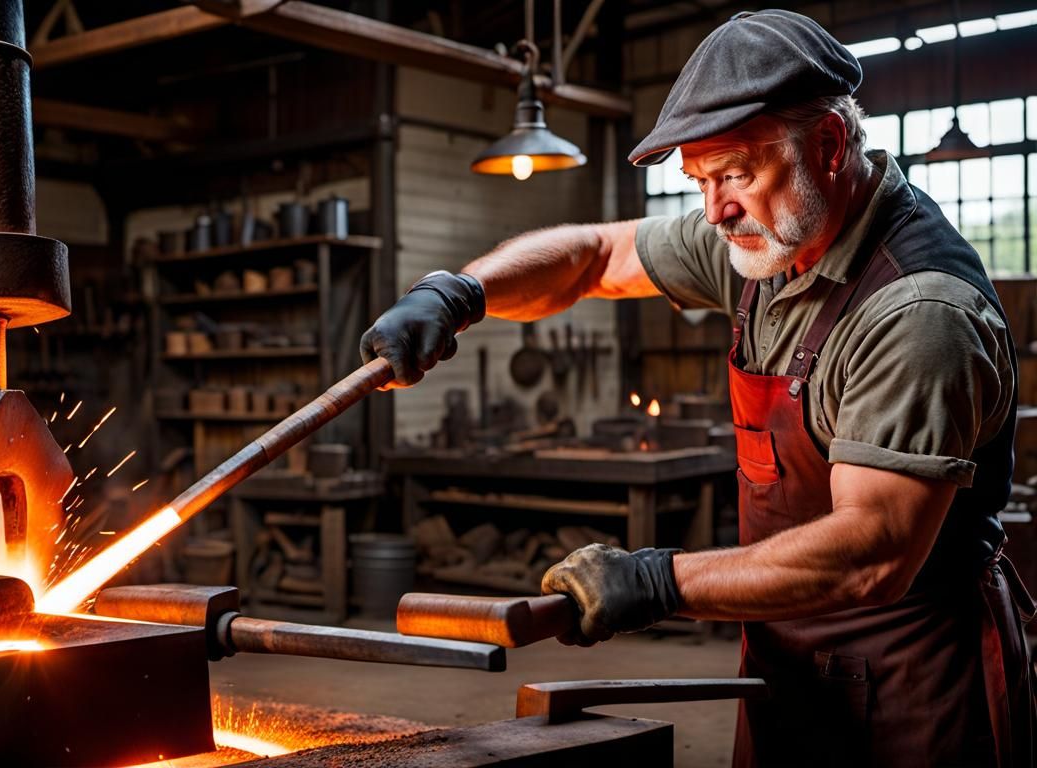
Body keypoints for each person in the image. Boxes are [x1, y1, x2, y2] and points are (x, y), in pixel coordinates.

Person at [359, 10, 1034, 767]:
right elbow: (592, 256)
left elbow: (870, 553)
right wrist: (457, 293)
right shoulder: (769, 239)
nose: (715, 211)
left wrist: (655, 580)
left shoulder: (918, 311)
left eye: (736, 173)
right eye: (699, 181)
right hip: (789, 663)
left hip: (919, 689)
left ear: (830, 146)